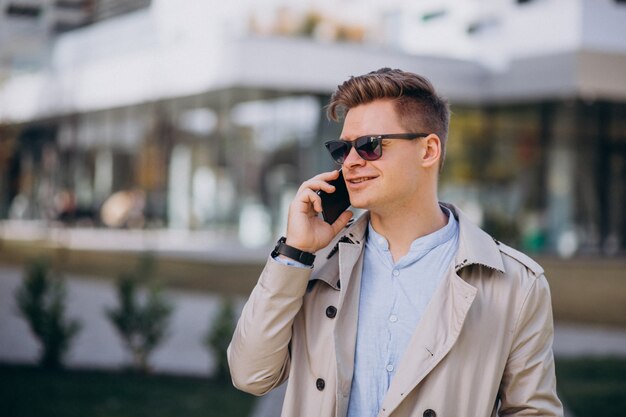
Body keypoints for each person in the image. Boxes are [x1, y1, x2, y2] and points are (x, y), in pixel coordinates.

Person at [228, 68, 563, 417]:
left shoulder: (516, 284)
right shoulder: (315, 264)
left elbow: (531, 411)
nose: (351, 163)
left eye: (370, 146)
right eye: (342, 149)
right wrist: (295, 252)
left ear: (428, 150)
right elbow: (251, 375)